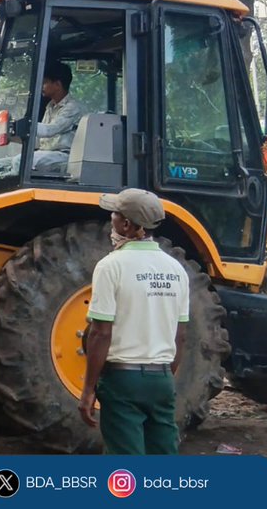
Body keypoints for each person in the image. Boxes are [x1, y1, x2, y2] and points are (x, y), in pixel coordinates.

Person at [78, 188, 190, 455]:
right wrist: (162, 377)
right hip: (162, 378)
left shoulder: (111, 266)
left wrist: (88, 389)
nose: (111, 220)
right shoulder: (176, 269)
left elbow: (100, 333)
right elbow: (180, 335)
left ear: (127, 224)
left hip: (122, 380)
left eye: (115, 215)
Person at [0, 61, 87, 176]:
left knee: (19, 162)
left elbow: (50, 130)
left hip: (63, 155)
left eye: (44, 82)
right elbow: (39, 142)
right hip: (46, 153)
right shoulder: (50, 106)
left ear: (57, 84)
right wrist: (11, 136)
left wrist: (18, 124)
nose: (41, 87)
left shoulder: (72, 108)